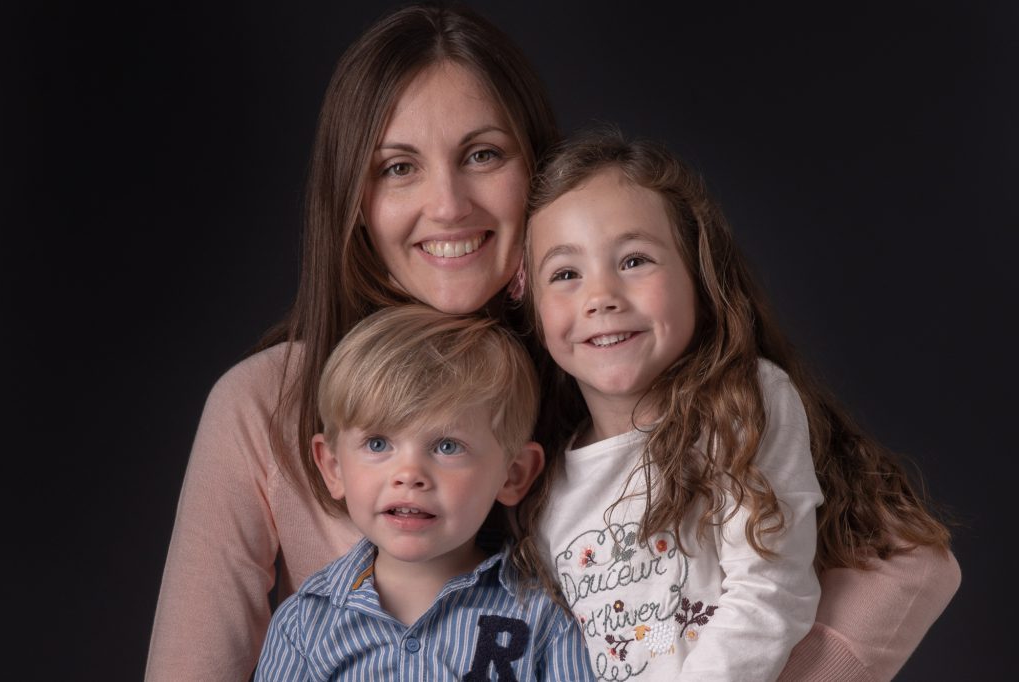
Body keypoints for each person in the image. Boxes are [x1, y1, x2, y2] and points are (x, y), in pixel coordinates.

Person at [146, 5, 959, 681]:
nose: (448, 203)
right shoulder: (262, 406)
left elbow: (911, 563)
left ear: (538, 174)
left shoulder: (608, 363)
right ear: (353, 201)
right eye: (398, 168)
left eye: (483, 155)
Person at [516, 128, 959, 681]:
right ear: (532, 306)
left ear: (698, 275)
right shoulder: (546, 484)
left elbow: (770, 592)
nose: (600, 296)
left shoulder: (740, 406)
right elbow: (603, 644)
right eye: (565, 274)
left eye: (634, 260)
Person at [254, 305, 595, 680]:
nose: (409, 475)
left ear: (512, 475)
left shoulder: (541, 617)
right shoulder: (304, 627)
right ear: (334, 468)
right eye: (379, 444)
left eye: (447, 446)